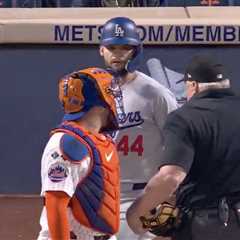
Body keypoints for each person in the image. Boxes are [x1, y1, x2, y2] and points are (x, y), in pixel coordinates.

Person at [126, 55, 240, 240]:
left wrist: (135, 214)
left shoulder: (185, 117)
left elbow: (171, 177)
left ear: (193, 85)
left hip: (205, 224)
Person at [99, 17, 178, 240]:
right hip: (100, 195)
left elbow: (178, 146)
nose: (118, 54)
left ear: (135, 50)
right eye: (112, 47)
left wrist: (170, 196)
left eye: (125, 47)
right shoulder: (94, 90)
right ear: (101, 50)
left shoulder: (157, 94)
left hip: (141, 197)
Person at [37, 67, 125, 240]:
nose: (115, 99)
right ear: (101, 100)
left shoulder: (100, 140)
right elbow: (55, 203)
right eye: (111, 93)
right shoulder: (68, 143)